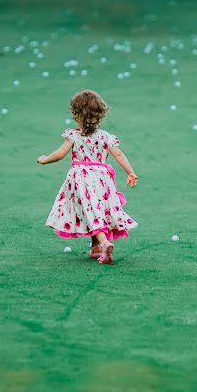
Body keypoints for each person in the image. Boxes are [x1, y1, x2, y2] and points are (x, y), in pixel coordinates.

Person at [38, 90, 138, 265]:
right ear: (100, 115)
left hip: (80, 179)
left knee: (88, 209)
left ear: (76, 115)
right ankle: (96, 247)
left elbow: (60, 154)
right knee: (97, 208)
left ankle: (104, 242)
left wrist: (45, 159)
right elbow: (119, 155)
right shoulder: (106, 136)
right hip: (102, 179)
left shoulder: (74, 135)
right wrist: (130, 172)